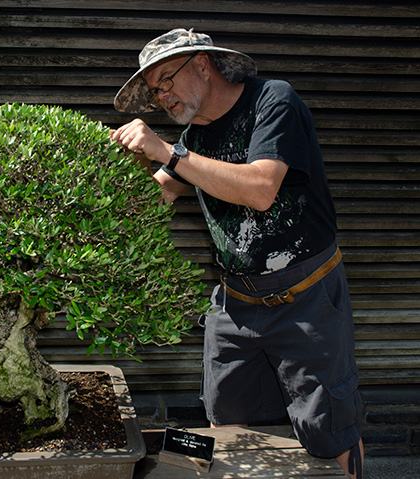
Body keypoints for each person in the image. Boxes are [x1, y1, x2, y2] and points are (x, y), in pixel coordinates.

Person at [111, 28, 364, 478]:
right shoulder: (194, 137)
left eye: (167, 79)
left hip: (305, 296)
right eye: (155, 91)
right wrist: (128, 166)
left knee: (330, 427)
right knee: (223, 420)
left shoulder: (273, 101)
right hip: (236, 302)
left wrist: (165, 151)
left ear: (202, 64)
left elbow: (261, 188)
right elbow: (157, 197)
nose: (163, 95)